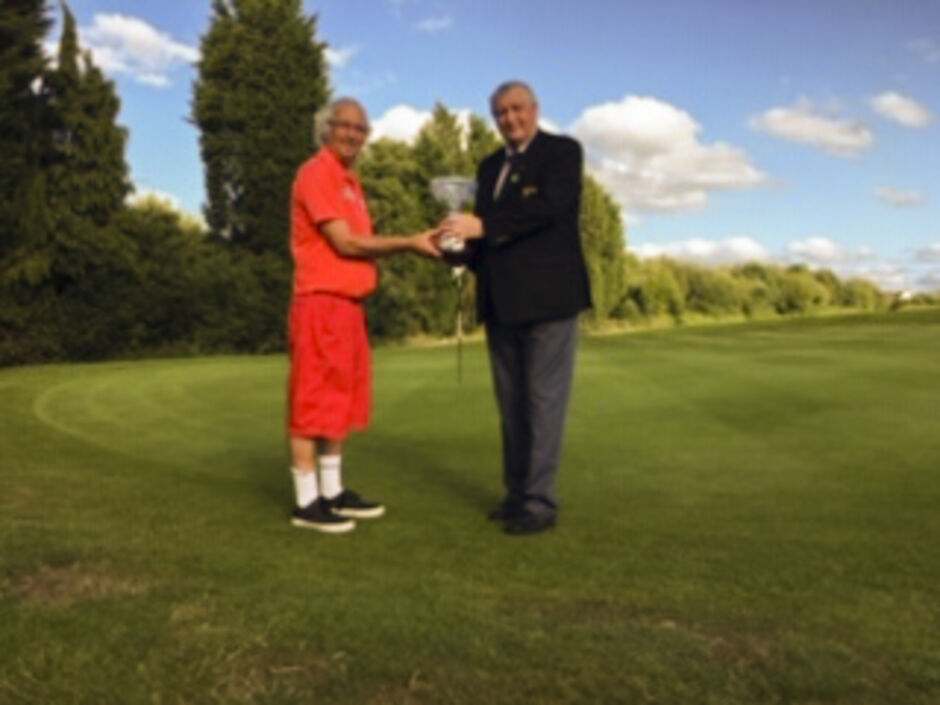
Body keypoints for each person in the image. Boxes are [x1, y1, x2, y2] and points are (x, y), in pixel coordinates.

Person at [441, 80, 592, 535]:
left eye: (517, 109)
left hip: (549, 301)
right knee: (512, 406)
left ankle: (540, 503)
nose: (510, 119)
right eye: (501, 113)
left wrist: (481, 225)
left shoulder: (562, 153)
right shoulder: (489, 168)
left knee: (543, 403)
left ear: (535, 109)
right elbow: (487, 239)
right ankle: (516, 494)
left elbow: (549, 210)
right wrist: (455, 248)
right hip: (501, 302)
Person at [288, 97, 441, 533]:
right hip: (320, 300)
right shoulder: (316, 173)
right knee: (311, 399)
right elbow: (345, 243)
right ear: (326, 128)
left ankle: (333, 492)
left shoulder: (349, 182)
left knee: (338, 400)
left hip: (349, 305)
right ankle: (306, 501)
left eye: (361, 129)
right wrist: (411, 242)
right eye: (345, 126)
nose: (353, 134)